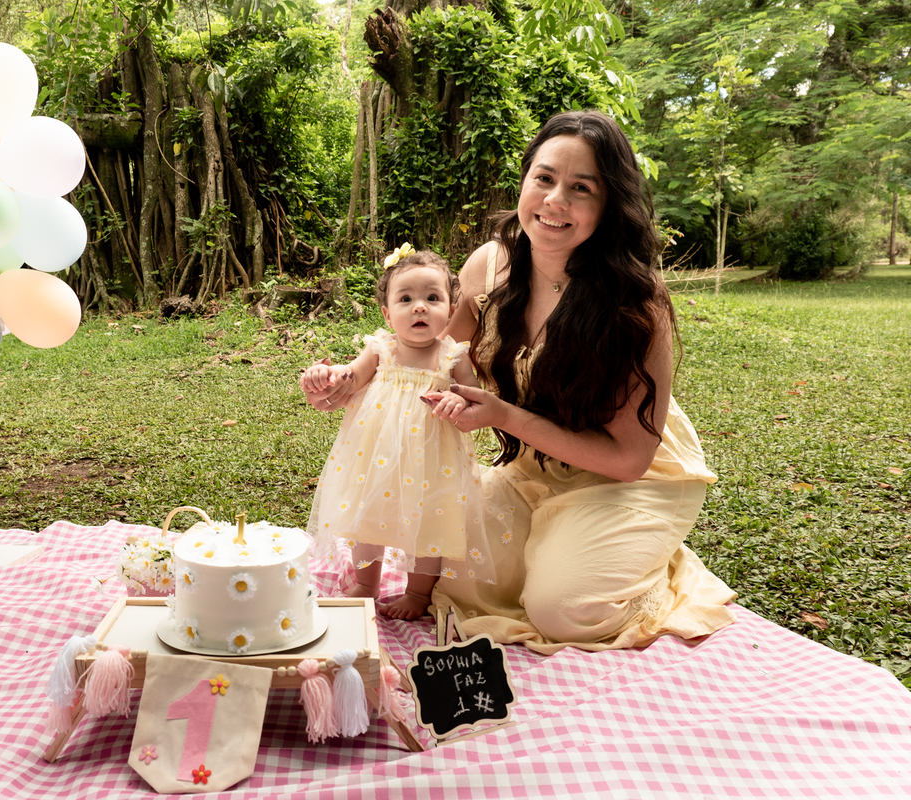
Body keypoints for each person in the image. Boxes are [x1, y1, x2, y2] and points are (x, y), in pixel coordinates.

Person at [307, 111, 736, 653]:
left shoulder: (634, 302)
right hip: (531, 469)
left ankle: (649, 556)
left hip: (628, 480)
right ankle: (568, 542)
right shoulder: (490, 265)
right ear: (525, 180)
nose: (556, 199)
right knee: (458, 580)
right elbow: (433, 358)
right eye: (545, 178)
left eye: (581, 188)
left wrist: (504, 416)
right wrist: (351, 385)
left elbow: (629, 460)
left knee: (563, 611)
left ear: (609, 205)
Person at [301, 248, 495, 619]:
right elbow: (350, 377)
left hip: (434, 459)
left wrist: (457, 402)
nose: (419, 307)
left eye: (432, 298)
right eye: (406, 299)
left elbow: (473, 399)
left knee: (431, 522)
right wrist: (327, 375)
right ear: (388, 314)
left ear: (451, 310)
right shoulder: (381, 349)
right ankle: (366, 583)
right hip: (376, 455)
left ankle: (418, 593)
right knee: (368, 515)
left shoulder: (453, 357)